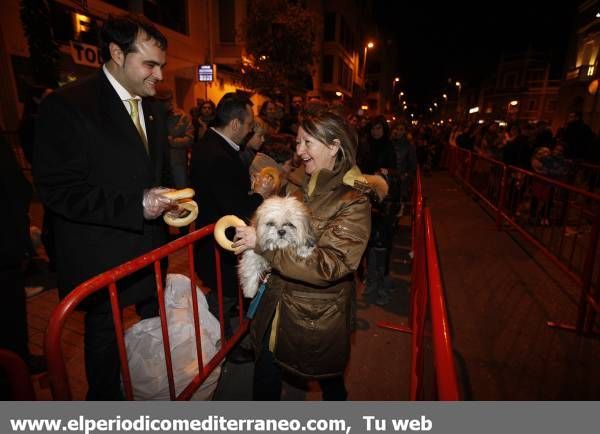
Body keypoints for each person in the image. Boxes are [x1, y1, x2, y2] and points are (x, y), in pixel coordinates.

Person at [33, 14, 174, 400]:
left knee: (154, 335)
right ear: (115, 52)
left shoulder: (152, 108)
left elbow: (149, 172)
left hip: (148, 252)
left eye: (161, 65)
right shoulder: (68, 105)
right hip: (102, 257)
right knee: (104, 340)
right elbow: (60, 190)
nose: (159, 75)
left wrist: (167, 203)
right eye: (150, 64)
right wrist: (135, 206)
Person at [233, 108, 371, 400]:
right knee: (266, 374)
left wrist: (263, 246)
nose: (299, 150)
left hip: (316, 314)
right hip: (275, 304)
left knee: (329, 379)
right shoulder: (296, 187)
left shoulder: (353, 201)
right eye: (298, 143)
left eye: (308, 142)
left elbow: (331, 264)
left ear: (334, 146)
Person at [190, 92, 275, 347]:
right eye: (249, 125)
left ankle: (223, 341)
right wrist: (260, 195)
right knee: (223, 298)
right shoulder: (219, 155)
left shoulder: (213, 145)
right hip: (221, 246)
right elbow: (236, 208)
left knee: (225, 296)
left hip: (216, 243)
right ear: (235, 124)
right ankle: (220, 345)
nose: (250, 131)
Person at [155, 87, 194, 188]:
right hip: (159, 163)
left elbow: (190, 139)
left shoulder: (181, 116)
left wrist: (172, 141)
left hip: (177, 162)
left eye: (167, 100)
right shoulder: (153, 116)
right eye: (161, 101)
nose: (166, 104)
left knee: (181, 192)